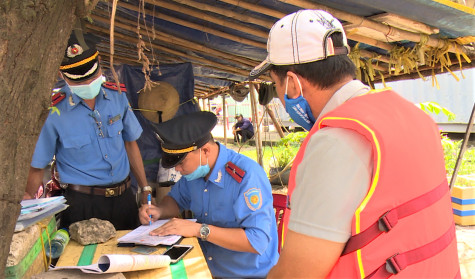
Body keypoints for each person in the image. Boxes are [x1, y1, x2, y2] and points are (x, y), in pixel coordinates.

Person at [249, 9, 459, 278]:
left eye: (275, 85)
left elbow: (298, 273)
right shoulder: (414, 116)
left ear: (292, 83)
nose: (280, 96)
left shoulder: (336, 141)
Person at [23, 23, 152, 230]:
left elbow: (130, 144)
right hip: (81, 204)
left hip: (123, 200)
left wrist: (145, 186)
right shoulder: (54, 112)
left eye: (91, 76)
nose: (86, 84)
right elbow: (38, 164)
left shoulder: (117, 96)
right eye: (78, 80)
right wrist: (28, 201)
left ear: (99, 62)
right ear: (61, 74)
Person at [139, 111, 278, 278]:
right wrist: (159, 211)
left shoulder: (247, 175)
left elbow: (257, 240)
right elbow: (175, 199)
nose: (177, 169)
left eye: (181, 162)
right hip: (206, 270)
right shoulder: (194, 173)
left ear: (205, 151)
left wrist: (200, 230)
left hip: (249, 275)